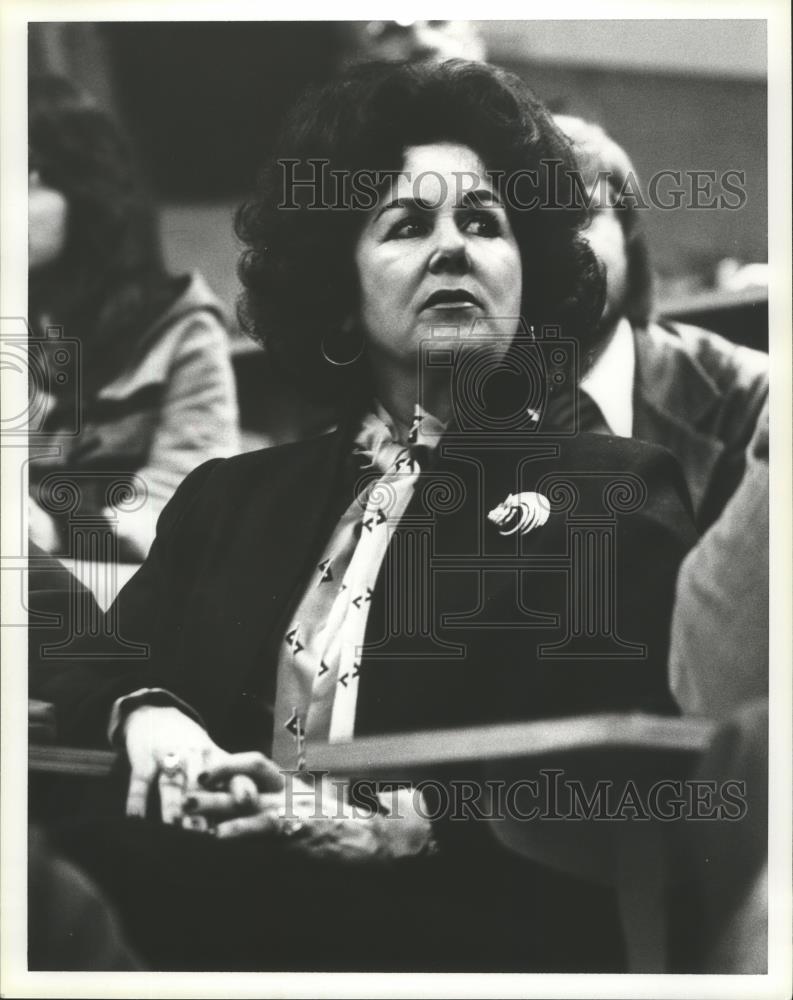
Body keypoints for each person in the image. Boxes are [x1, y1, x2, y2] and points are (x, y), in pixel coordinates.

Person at [42, 60, 697, 972]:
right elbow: (89, 674)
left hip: (461, 929)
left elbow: (620, 773)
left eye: (482, 222)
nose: (451, 248)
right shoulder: (231, 498)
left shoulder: (609, 490)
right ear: (338, 287)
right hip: (200, 901)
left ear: (528, 275)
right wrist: (146, 714)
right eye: (404, 224)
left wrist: (394, 826)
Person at [27, 75, 240, 563]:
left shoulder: (182, 328)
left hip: (123, 593)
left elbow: (189, 500)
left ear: (88, 189)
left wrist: (54, 527)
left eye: (26, 173)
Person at [551, 115, 768, 530]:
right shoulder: (444, 407)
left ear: (629, 234)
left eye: (582, 214)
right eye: (536, 225)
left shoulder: (753, 401)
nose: (563, 246)